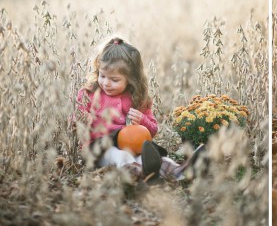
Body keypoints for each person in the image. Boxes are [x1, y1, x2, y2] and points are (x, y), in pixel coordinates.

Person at [74, 37, 206, 182]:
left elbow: (153, 130)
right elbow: (75, 121)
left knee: (151, 156)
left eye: (114, 79)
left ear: (130, 79)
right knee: (122, 157)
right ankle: (141, 175)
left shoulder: (136, 97)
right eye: (102, 76)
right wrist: (81, 120)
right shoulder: (89, 94)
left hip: (132, 145)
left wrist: (142, 120)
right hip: (100, 149)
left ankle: (180, 171)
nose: (106, 83)